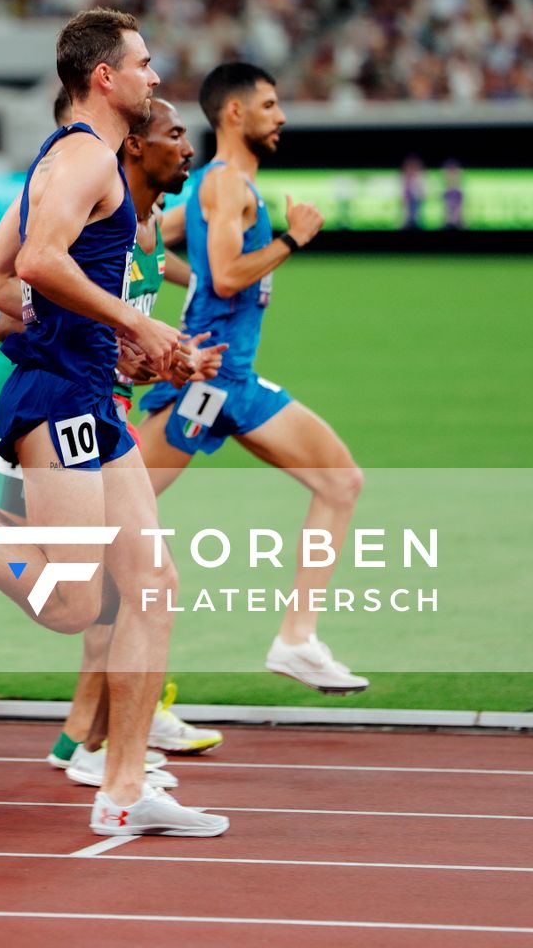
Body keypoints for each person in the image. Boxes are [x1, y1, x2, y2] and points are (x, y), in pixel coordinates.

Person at [0, 7, 227, 837]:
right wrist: (133, 325)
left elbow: (15, 281)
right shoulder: (85, 156)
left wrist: (110, 338)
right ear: (105, 77)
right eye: (145, 64)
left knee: (153, 586)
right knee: (71, 604)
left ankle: (124, 789)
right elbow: (33, 262)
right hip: (56, 398)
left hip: (95, 394)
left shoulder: (82, 161)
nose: (156, 78)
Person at [136, 62, 368, 694]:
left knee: (341, 481)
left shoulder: (216, 187)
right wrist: (294, 238)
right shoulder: (225, 184)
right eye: (269, 105)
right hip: (208, 380)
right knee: (110, 508)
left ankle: (298, 639)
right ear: (234, 114)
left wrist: (160, 279)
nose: (281, 116)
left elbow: (150, 237)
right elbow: (230, 275)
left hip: (225, 379)